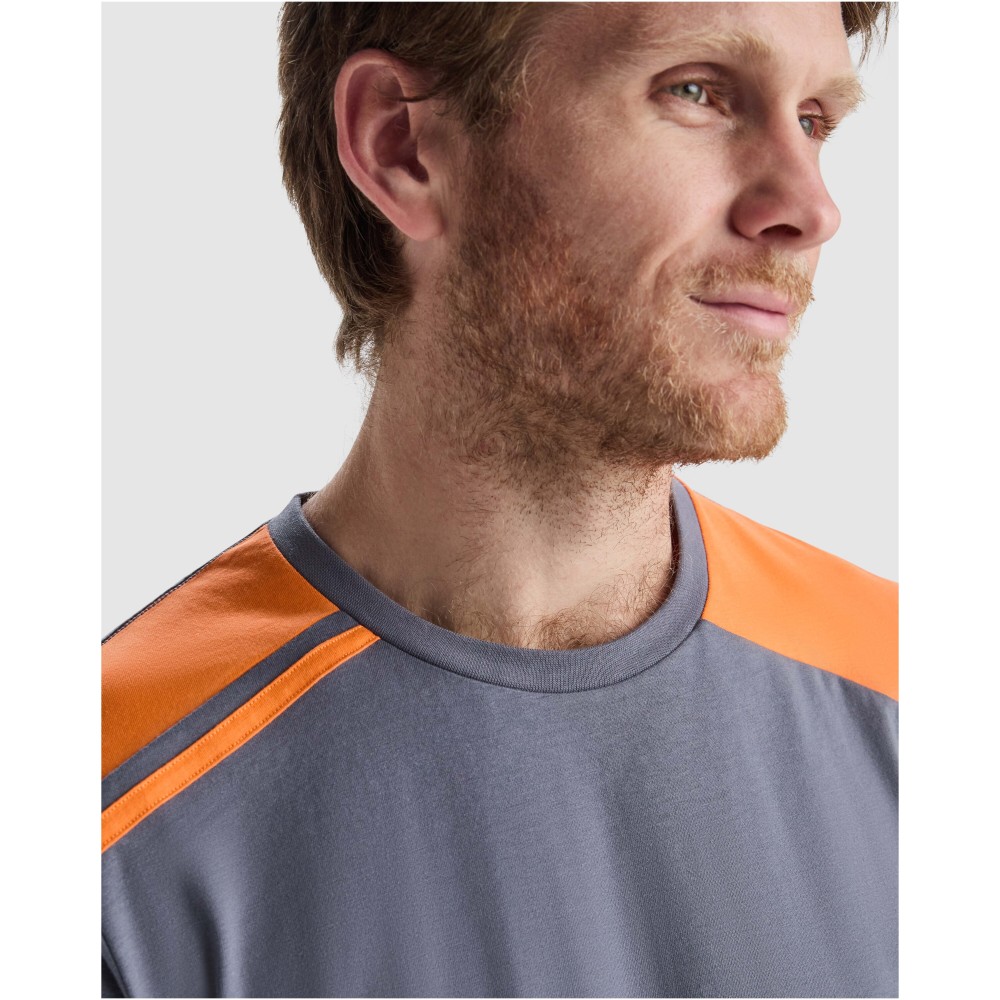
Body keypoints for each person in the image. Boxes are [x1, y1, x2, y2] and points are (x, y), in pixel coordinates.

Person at [101, 3, 897, 997]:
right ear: (402, 147)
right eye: (695, 92)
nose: (810, 207)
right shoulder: (110, 810)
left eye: (814, 119)